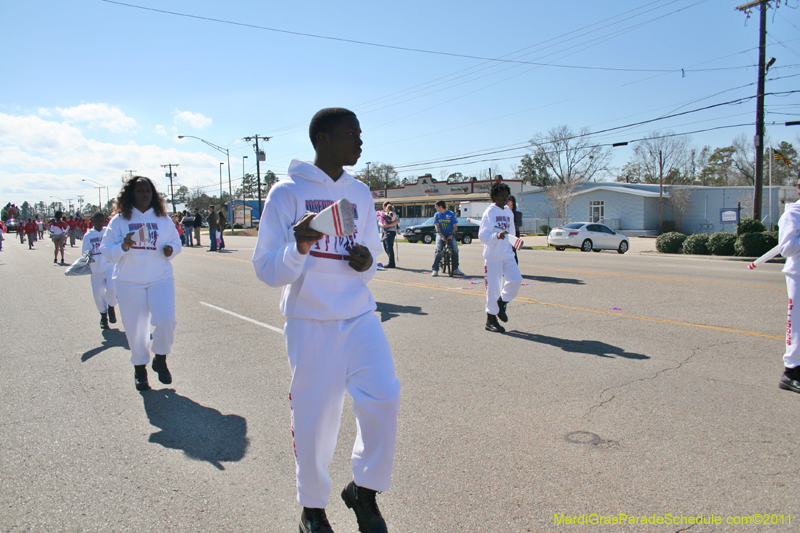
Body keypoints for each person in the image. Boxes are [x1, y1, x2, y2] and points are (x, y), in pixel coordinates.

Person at [252, 108, 400, 533]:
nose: (359, 141)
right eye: (351, 133)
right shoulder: (287, 192)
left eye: (360, 133)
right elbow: (266, 269)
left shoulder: (360, 193)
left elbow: (370, 253)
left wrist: (366, 260)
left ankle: (364, 490)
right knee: (316, 417)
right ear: (324, 138)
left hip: (358, 314)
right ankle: (312, 509)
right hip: (310, 319)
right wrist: (299, 246)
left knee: (384, 396)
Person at [100, 176, 182, 392]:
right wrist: (123, 246)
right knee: (137, 329)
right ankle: (140, 369)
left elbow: (176, 242)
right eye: (140, 191)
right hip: (129, 280)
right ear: (130, 195)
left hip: (160, 277)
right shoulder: (119, 221)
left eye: (148, 191)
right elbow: (107, 253)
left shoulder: (163, 219)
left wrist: (171, 250)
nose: (145, 195)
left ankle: (160, 358)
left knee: (166, 320)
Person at [479, 182, 523, 333]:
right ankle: (490, 320)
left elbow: (511, 233)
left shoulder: (508, 212)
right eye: (502, 196)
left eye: (507, 197)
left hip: (507, 254)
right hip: (493, 256)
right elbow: (482, 235)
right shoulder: (489, 212)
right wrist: (496, 235)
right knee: (493, 288)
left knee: (516, 279)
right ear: (494, 197)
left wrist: (514, 244)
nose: (506, 199)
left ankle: (502, 302)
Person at [777, 173, 800, 394]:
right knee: (797, 324)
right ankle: (791, 372)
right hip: (798, 276)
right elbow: (786, 249)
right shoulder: (793, 213)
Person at [83, 212, 118, 329]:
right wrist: (87, 260)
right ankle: (103, 316)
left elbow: (114, 246)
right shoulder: (88, 235)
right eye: (98, 220)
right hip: (96, 269)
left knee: (112, 288)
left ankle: (111, 307)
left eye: (102, 220)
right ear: (93, 221)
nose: (100, 223)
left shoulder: (108, 232)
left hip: (109, 266)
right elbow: (85, 252)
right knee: (98, 294)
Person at [430, 200, 464, 277]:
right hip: (440, 234)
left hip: (450, 233)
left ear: (440, 206)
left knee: (455, 249)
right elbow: (436, 226)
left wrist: (452, 235)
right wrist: (441, 235)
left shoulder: (451, 214)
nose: (435, 207)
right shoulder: (437, 215)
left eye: (436, 206)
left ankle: (455, 269)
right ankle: (435, 269)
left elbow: (455, 227)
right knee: (438, 250)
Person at [378, 201, 399, 268]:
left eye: (385, 207)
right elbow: (379, 222)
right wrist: (383, 225)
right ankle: (391, 260)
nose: (384, 208)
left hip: (390, 231)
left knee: (389, 247)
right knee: (386, 248)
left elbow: (396, 221)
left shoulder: (392, 214)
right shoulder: (383, 214)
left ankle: (391, 263)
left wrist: (388, 225)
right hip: (384, 232)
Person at [507, 195, 523, 265]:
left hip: (515, 233)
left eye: (508, 200)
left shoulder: (517, 212)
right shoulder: (505, 211)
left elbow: (519, 224)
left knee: (513, 251)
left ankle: (515, 267)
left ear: (512, 202)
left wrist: (511, 225)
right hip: (506, 234)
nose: (507, 202)